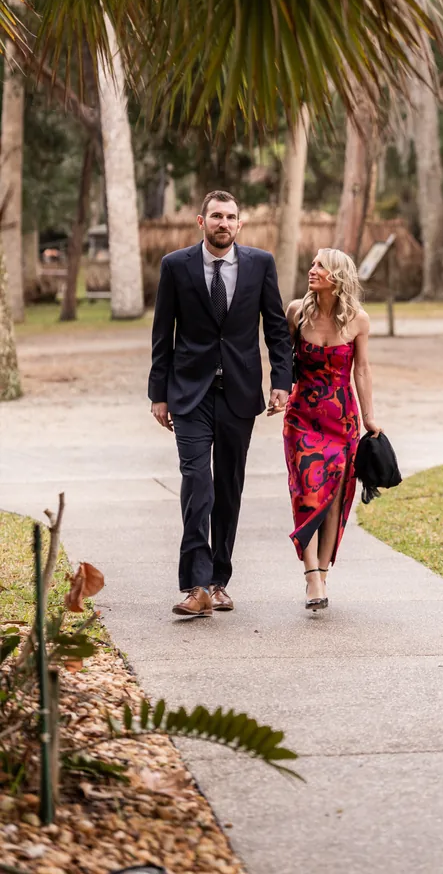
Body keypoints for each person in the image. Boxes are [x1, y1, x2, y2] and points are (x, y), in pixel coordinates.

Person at [148, 190, 292, 618]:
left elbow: (277, 331)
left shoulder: (260, 265)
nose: (223, 223)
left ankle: (219, 581)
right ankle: (195, 585)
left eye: (230, 217)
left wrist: (281, 382)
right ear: (201, 221)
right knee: (198, 484)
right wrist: (159, 392)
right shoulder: (175, 266)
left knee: (228, 486)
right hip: (189, 394)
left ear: (240, 224)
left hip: (239, 394)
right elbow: (162, 333)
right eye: (216, 216)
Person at [284, 248, 380, 611]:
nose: (312, 269)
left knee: (335, 497)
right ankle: (311, 577)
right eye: (312, 263)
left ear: (337, 275)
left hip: (341, 419)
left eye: (320, 265)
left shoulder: (358, 320)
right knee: (306, 492)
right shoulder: (296, 312)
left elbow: (362, 370)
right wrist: (277, 392)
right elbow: (282, 359)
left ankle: (323, 572)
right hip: (301, 416)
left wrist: (370, 416)